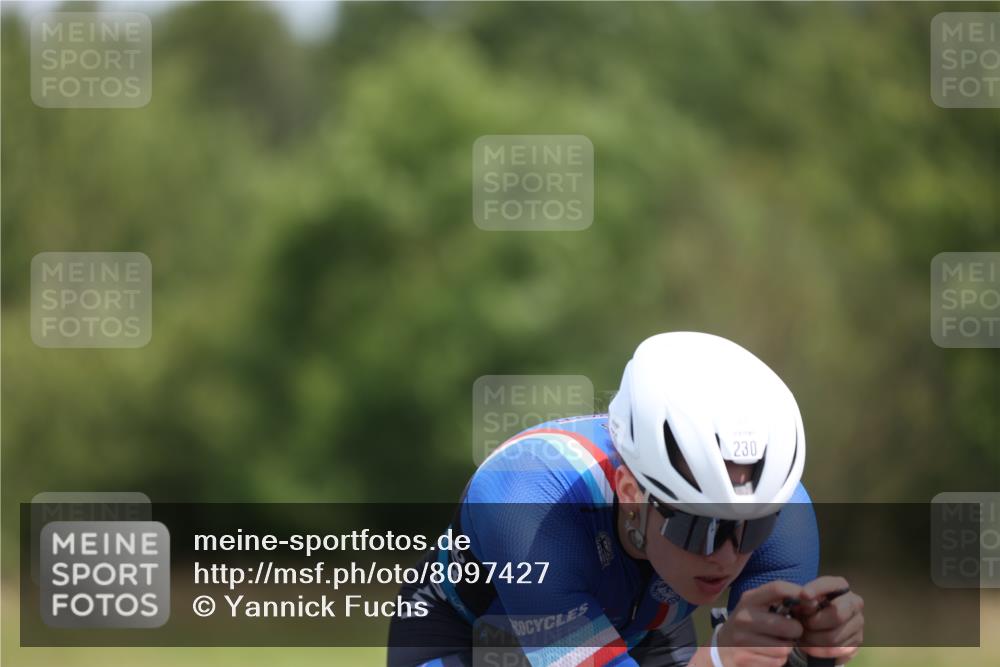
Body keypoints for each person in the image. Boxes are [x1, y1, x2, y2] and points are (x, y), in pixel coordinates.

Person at [388, 332, 864, 667]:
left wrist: (810, 656)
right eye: (699, 528)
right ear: (633, 495)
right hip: (471, 632)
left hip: (642, 629)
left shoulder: (784, 517)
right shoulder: (527, 500)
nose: (728, 556)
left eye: (754, 528)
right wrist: (717, 658)